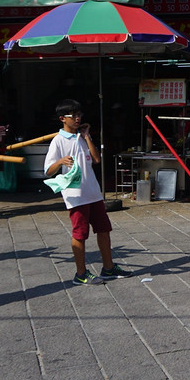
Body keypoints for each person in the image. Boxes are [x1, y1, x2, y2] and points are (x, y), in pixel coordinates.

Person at [44, 99, 130, 285]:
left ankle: (108, 268)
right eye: (73, 115)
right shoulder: (57, 141)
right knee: (80, 234)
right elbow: (48, 171)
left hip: (93, 192)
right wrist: (60, 162)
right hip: (76, 196)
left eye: (79, 114)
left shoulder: (81, 137)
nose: (77, 118)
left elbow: (97, 160)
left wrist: (87, 136)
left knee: (104, 230)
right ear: (62, 119)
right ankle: (80, 273)